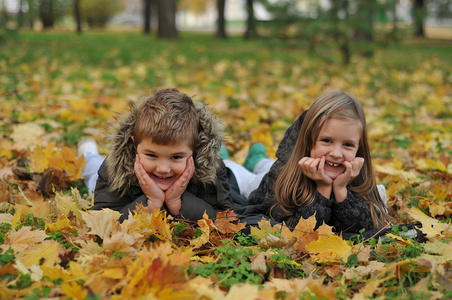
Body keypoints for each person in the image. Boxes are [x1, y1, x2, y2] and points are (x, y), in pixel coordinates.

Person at [247, 90, 395, 235]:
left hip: (312, 165)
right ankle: (256, 159)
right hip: (264, 179)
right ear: (309, 142)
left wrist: (341, 190)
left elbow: (362, 230)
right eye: (327, 141)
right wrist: (323, 189)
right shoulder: (281, 176)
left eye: (348, 145)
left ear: (359, 149)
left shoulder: (359, 177)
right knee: (246, 176)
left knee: (264, 164)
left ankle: (259, 159)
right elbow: (299, 231)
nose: (336, 154)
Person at [78, 88, 233, 222]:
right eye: (152, 155)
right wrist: (150, 203)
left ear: (195, 151)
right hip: (114, 180)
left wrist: (177, 201)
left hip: (220, 169)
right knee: (92, 171)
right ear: (134, 146)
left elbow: (223, 219)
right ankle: (88, 152)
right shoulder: (114, 168)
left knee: (234, 171)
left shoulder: (212, 169)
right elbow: (104, 220)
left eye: (176, 157)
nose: (163, 169)